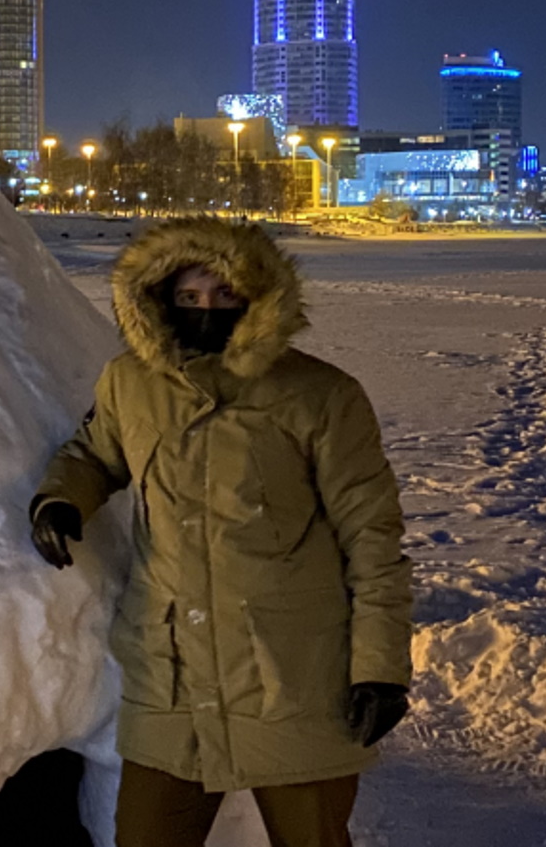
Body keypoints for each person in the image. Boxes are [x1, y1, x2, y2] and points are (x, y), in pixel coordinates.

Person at [30, 217, 412, 847]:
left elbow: (372, 538)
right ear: (159, 302)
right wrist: (61, 499)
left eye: (224, 297)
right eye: (189, 298)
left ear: (258, 299)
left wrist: (380, 667)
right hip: (170, 674)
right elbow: (97, 453)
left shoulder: (321, 396)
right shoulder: (130, 384)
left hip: (290, 677)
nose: (205, 311)